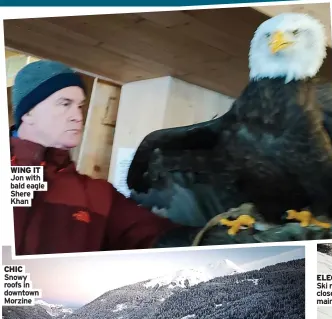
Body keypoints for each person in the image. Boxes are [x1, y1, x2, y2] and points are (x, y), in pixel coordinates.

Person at [10, 60, 199, 255]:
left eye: (80, 106)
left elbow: (158, 237)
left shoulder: (100, 196)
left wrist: (216, 235)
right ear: (28, 113)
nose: (77, 116)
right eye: (65, 104)